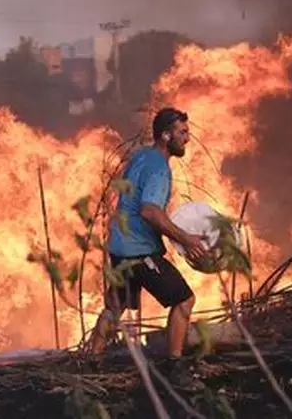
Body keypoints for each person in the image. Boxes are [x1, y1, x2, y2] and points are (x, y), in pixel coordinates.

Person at [87, 106, 210, 387]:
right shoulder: (159, 168)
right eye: (182, 133)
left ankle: (93, 359)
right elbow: (150, 212)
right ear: (166, 136)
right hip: (139, 250)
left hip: (118, 244)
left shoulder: (142, 155)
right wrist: (186, 238)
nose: (187, 139)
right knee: (184, 300)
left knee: (115, 305)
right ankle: (175, 367)